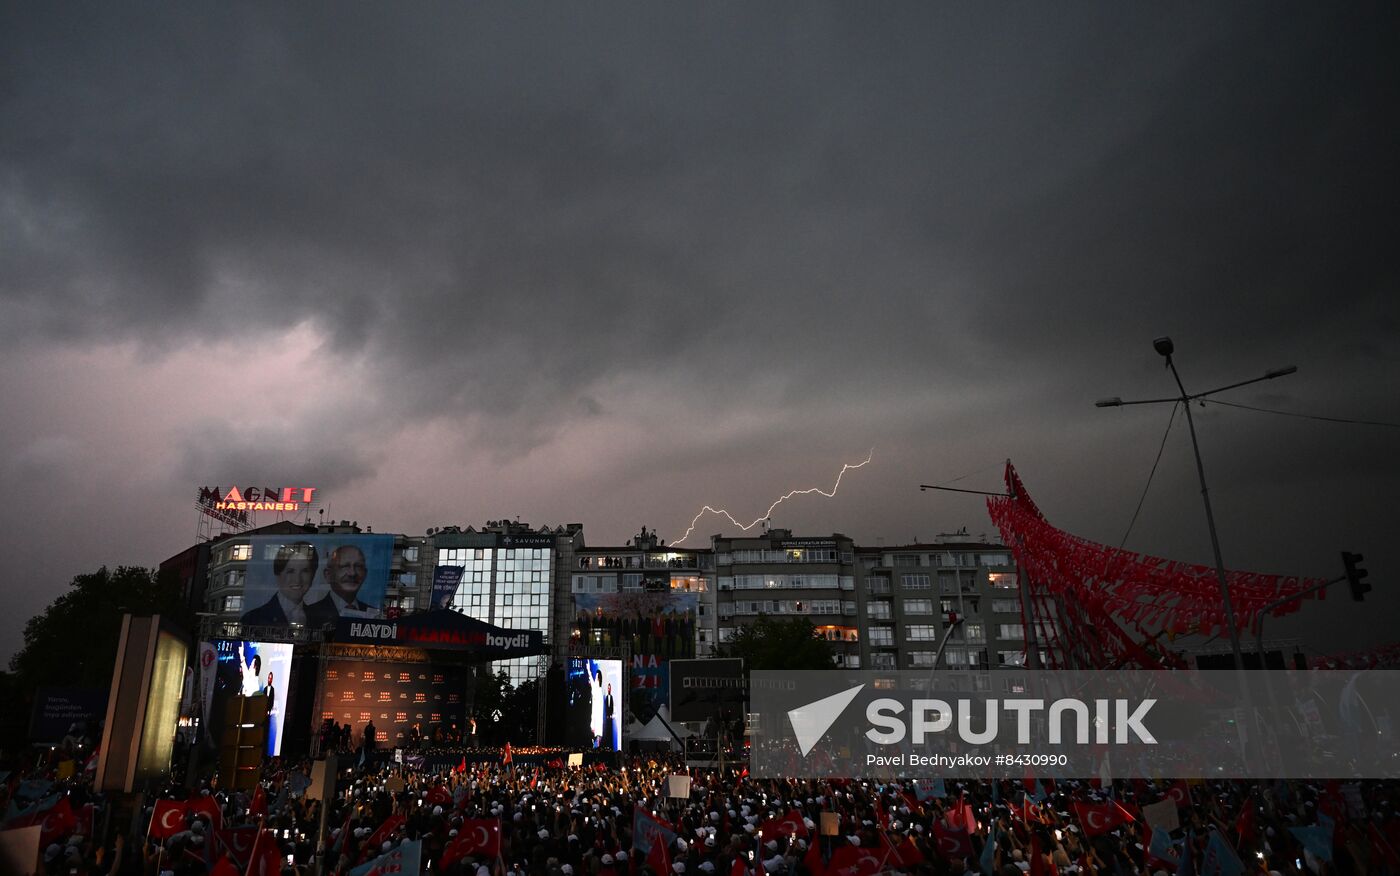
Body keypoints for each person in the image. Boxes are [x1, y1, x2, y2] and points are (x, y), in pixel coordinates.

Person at [241, 542, 318, 626]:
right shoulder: (252, 619)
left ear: (313, 575)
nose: (297, 579)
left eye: (305, 571)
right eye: (290, 571)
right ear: (278, 574)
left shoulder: (318, 618)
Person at [306, 544, 376, 628]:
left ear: (365, 574)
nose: (352, 573)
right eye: (344, 566)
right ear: (328, 575)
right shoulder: (310, 612)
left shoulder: (373, 614)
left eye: (358, 566)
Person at [603, 681, 616, 750]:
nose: (609, 689)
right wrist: (606, 715)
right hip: (606, 717)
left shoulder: (611, 697)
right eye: (608, 688)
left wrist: (611, 715)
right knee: (606, 730)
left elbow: (612, 707)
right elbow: (605, 707)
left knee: (610, 729)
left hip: (610, 717)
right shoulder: (605, 697)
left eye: (609, 688)